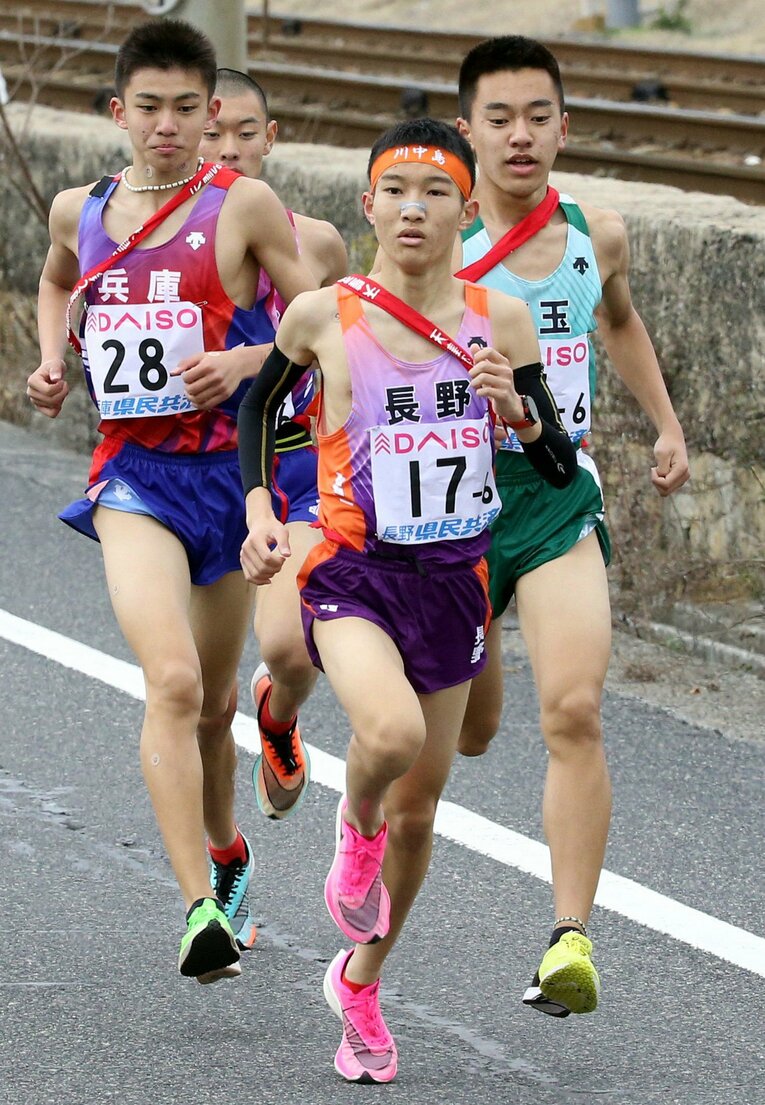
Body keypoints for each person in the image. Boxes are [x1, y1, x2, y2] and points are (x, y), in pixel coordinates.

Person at [237, 118, 578, 1082]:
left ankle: (359, 981)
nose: (413, 209)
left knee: (424, 811)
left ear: (467, 211)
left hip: (454, 581)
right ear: (367, 202)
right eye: (396, 189)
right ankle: (353, 832)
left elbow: (554, 464)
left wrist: (514, 407)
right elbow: (261, 407)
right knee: (383, 741)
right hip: (351, 571)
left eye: (436, 193)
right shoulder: (323, 313)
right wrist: (263, 506)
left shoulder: (498, 321)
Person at [27, 20, 317, 984]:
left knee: (217, 702)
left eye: (186, 109)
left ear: (212, 114)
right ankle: (199, 907)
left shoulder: (248, 207)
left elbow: (326, 326)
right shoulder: (82, 207)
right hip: (134, 477)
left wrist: (248, 359)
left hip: (232, 484)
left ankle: (228, 848)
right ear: (119, 113)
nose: (167, 125)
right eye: (148, 107)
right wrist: (51, 358)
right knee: (175, 681)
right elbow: (59, 278)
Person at [454, 35, 691, 1017]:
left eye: (537, 116)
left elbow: (619, 321)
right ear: (465, 129)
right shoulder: (436, 240)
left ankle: (570, 938)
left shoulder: (603, 233)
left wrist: (667, 422)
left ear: (564, 124)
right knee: (468, 735)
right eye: (498, 118)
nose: (520, 136)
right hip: (455, 511)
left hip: (558, 498)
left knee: (576, 709)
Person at [198, 67, 347, 820]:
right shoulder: (170, 249)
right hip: (200, 475)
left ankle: (280, 710)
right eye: (213, 132)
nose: (229, 148)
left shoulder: (316, 243)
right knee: (198, 696)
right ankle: (219, 855)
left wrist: (245, 363)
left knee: (289, 648)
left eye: (245, 132)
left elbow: (347, 338)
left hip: (293, 467)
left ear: (271, 138)